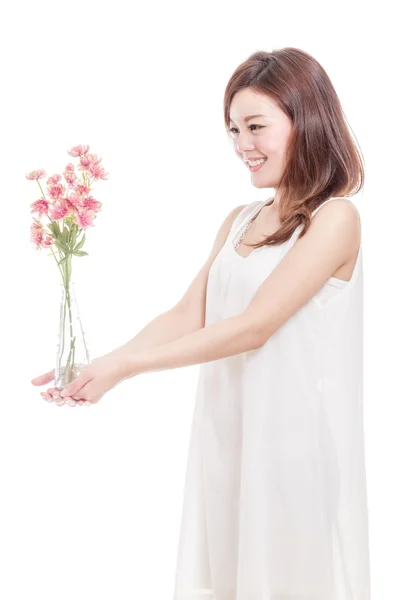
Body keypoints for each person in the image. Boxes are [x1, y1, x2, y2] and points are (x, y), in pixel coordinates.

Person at [32, 47, 371, 599]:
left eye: (256, 126)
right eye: (234, 129)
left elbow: (254, 326)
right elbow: (190, 314)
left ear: (306, 121)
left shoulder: (336, 218)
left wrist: (129, 367)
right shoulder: (239, 221)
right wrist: (101, 365)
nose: (243, 145)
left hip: (290, 454)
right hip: (228, 442)